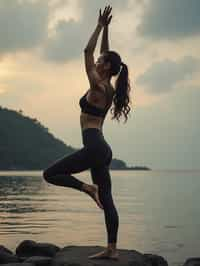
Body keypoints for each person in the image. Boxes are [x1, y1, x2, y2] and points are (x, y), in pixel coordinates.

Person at [43, 5, 132, 260]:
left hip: (94, 146)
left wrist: (96, 27)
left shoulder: (97, 84)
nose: (96, 60)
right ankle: (112, 249)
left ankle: (86, 188)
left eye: (100, 61)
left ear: (104, 68)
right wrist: (106, 28)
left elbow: (87, 51)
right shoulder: (111, 88)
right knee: (108, 199)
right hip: (102, 149)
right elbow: (104, 53)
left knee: (50, 174)